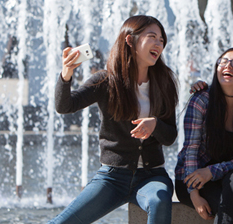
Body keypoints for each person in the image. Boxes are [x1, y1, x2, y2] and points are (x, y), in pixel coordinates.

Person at [50, 15, 178, 224]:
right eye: (152, 37)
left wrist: (154, 125)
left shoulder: (165, 83)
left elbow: (170, 136)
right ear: (130, 40)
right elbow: (65, 106)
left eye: (162, 40)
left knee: (159, 200)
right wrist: (66, 74)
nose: (159, 44)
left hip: (151, 176)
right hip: (111, 177)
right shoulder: (105, 81)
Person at [175, 48, 233, 224]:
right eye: (223, 61)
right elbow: (190, 150)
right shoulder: (201, 101)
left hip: (228, 178)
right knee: (230, 206)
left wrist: (212, 171)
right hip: (193, 180)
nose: (228, 66)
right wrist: (194, 195)